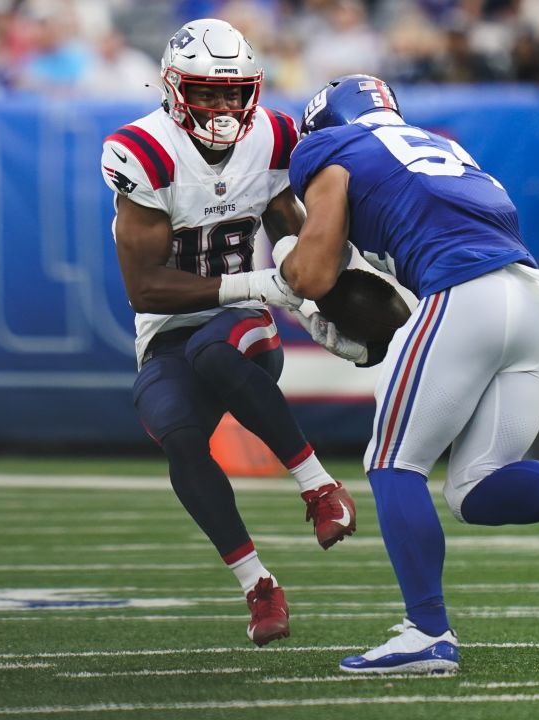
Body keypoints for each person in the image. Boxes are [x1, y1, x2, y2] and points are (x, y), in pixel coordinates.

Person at [278, 75, 539, 675]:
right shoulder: (441, 147)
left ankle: (426, 631)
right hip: (536, 303)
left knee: (394, 462)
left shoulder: (329, 149)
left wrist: (285, 289)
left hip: (465, 296)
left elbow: (314, 270)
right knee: (473, 487)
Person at [98, 19, 357, 647]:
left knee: (216, 349)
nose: (221, 106)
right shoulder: (145, 153)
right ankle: (257, 585)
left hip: (240, 333)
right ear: (173, 88)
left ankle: (320, 487)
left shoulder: (272, 137)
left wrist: (312, 295)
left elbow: (290, 229)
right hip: (169, 327)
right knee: (179, 435)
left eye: (232, 92)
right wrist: (257, 285)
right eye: (206, 93)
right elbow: (145, 287)